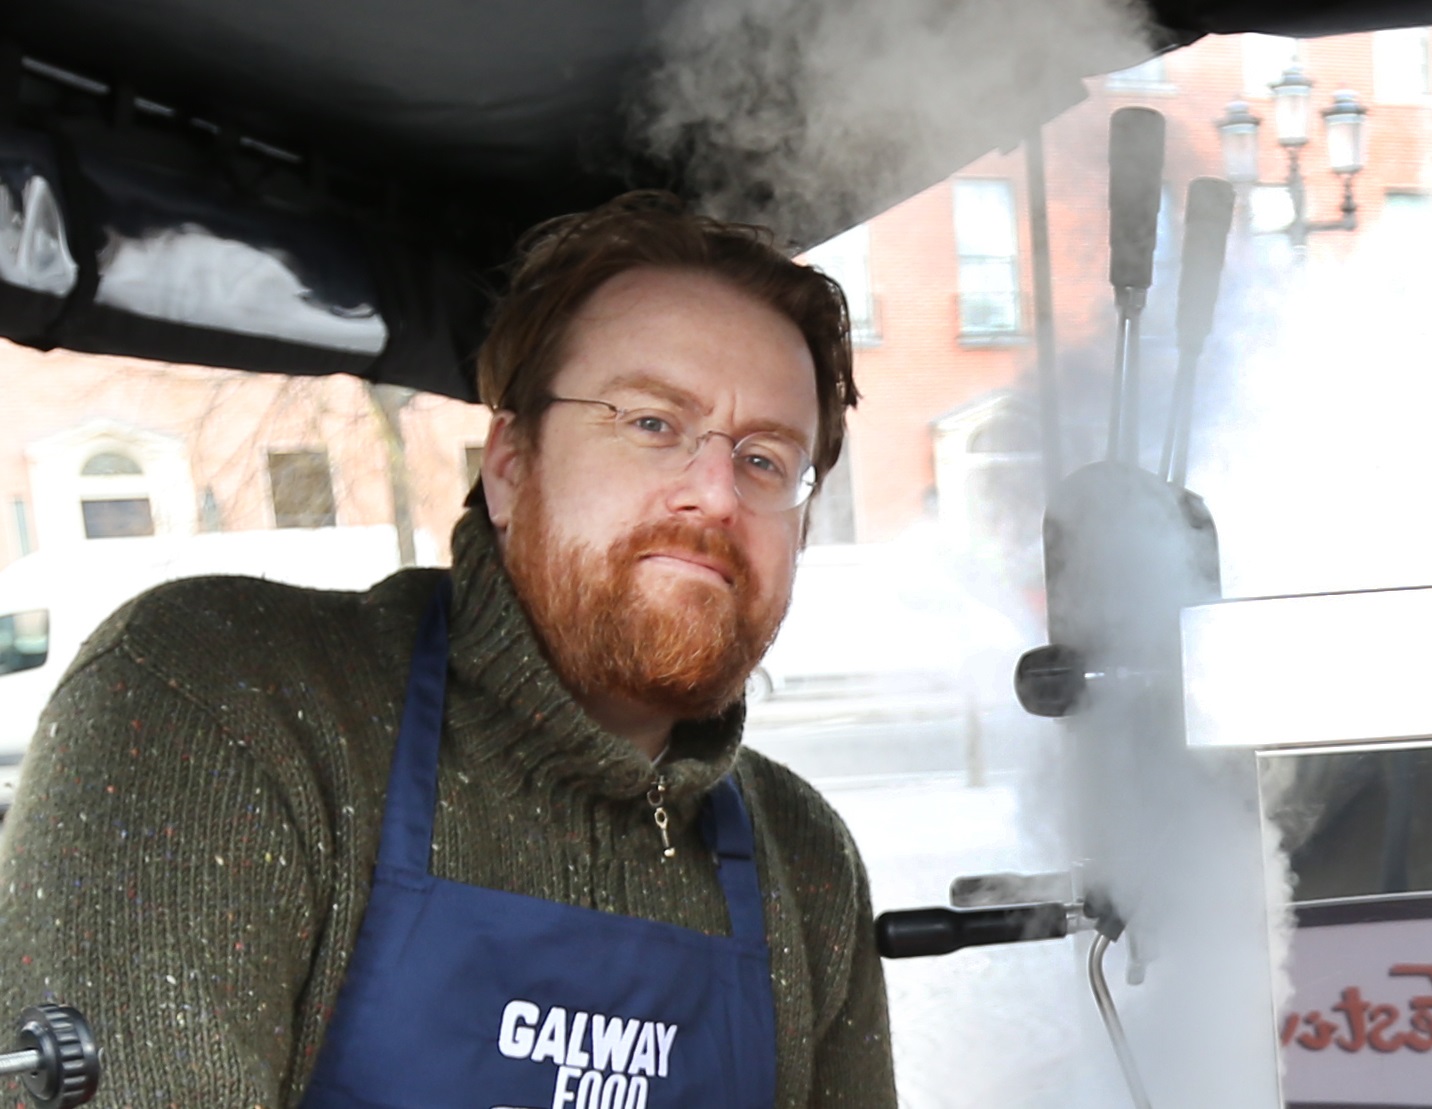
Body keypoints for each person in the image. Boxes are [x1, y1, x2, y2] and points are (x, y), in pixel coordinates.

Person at [0, 191, 896, 1108]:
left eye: (765, 459)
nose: (714, 492)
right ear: (509, 465)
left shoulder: (806, 861)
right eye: (650, 423)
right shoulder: (224, 703)